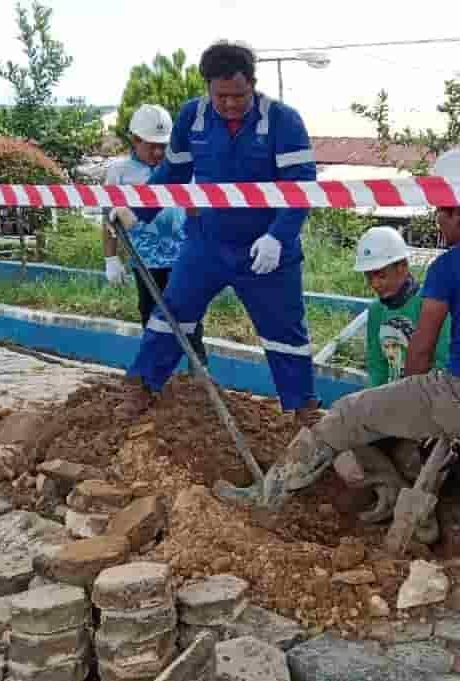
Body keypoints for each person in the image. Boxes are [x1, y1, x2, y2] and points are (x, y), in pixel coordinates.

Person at [230, 148, 460, 564]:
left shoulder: (449, 266)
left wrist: (409, 394)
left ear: (457, 210)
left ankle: (267, 495)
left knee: (349, 413)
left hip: (459, 392)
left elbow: (422, 347)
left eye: (440, 213)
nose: (438, 221)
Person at [116, 41, 321, 424]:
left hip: (266, 252)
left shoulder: (283, 121)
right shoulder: (192, 117)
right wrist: (136, 211)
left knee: (285, 332)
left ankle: (303, 409)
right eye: (220, 96)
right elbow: (172, 175)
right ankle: (140, 386)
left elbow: (301, 187)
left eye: (238, 95)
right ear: (207, 87)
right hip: (206, 246)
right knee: (171, 316)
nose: (229, 104)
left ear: (253, 85)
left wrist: (279, 236)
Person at [339, 226, 456, 545]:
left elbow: (445, 362)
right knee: (348, 434)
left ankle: (421, 518)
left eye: (381, 275)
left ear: (403, 267)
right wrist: (372, 404)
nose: (375, 284)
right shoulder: (376, 312)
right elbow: (377, 366)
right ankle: (390, 496)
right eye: (370, 277)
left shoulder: (428, 305)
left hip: (426, 404)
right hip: (393, 402)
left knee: (420, 458)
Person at [107, 104, 206, 366]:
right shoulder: (120, 172)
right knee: (152, 321)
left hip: (184, 257)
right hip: (146, 262)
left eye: (163, 145)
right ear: (135, 140)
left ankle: (198, 376)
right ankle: (154, 378)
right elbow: (109, 219)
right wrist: (111, 258)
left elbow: (196, 210)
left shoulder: (182, 170)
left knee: (190, 318)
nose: (158, 152)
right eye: (152, 145)